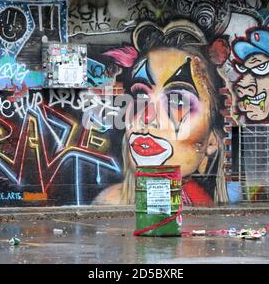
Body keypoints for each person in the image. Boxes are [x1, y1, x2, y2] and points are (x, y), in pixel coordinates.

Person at [93, 20, 228, 206]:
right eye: (140, 96)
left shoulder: (203, 207)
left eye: (177, 101)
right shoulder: (107, 205)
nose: (146, 117)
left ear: (212, 140)